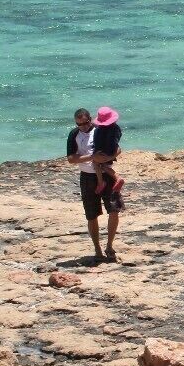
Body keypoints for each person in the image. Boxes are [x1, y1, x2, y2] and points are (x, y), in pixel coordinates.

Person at [65, 108, 122, 263]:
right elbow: (71, 158)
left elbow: (116, 147)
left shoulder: (101, 128)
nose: (83, 126)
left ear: (90, 119)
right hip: (87, 177)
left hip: (105, 174)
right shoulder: (74, 134)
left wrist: (108, 157)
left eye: (85, 123)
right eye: (79, 124)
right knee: (92, 215)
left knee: (114, 209)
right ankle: (97, 248)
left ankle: (109, 246)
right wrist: (92, 157)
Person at [92, 106, 125, 198]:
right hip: (112, 151)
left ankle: (100, 182)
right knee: (105, 165)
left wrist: (96, 152)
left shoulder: (98, 130)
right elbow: (116, 140)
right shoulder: (117, 128)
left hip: (101, 152)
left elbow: (96, 142)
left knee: (96, 164)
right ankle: (118, 178)